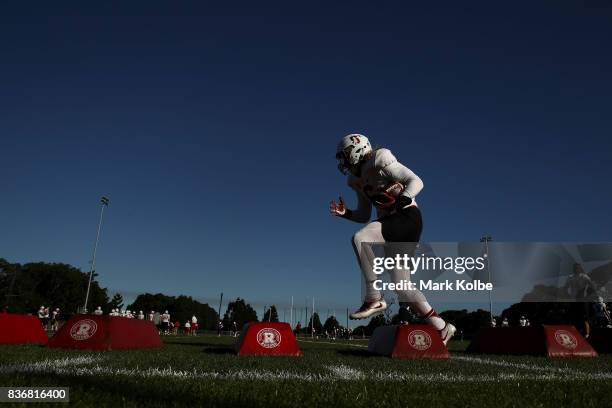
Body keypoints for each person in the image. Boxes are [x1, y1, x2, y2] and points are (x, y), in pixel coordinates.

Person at [330, 133, 455, 345]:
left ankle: (374, 297)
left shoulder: (380, 159)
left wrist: (404, 197)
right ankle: (442, 327)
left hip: (406, 217)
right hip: (393, 223)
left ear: (356, 150)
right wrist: (347, 214)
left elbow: (416, 181)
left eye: (344, 156)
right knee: (402, 286)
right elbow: (364, 214)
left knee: (360, 239)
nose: (342, 162)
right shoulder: (355, 179)